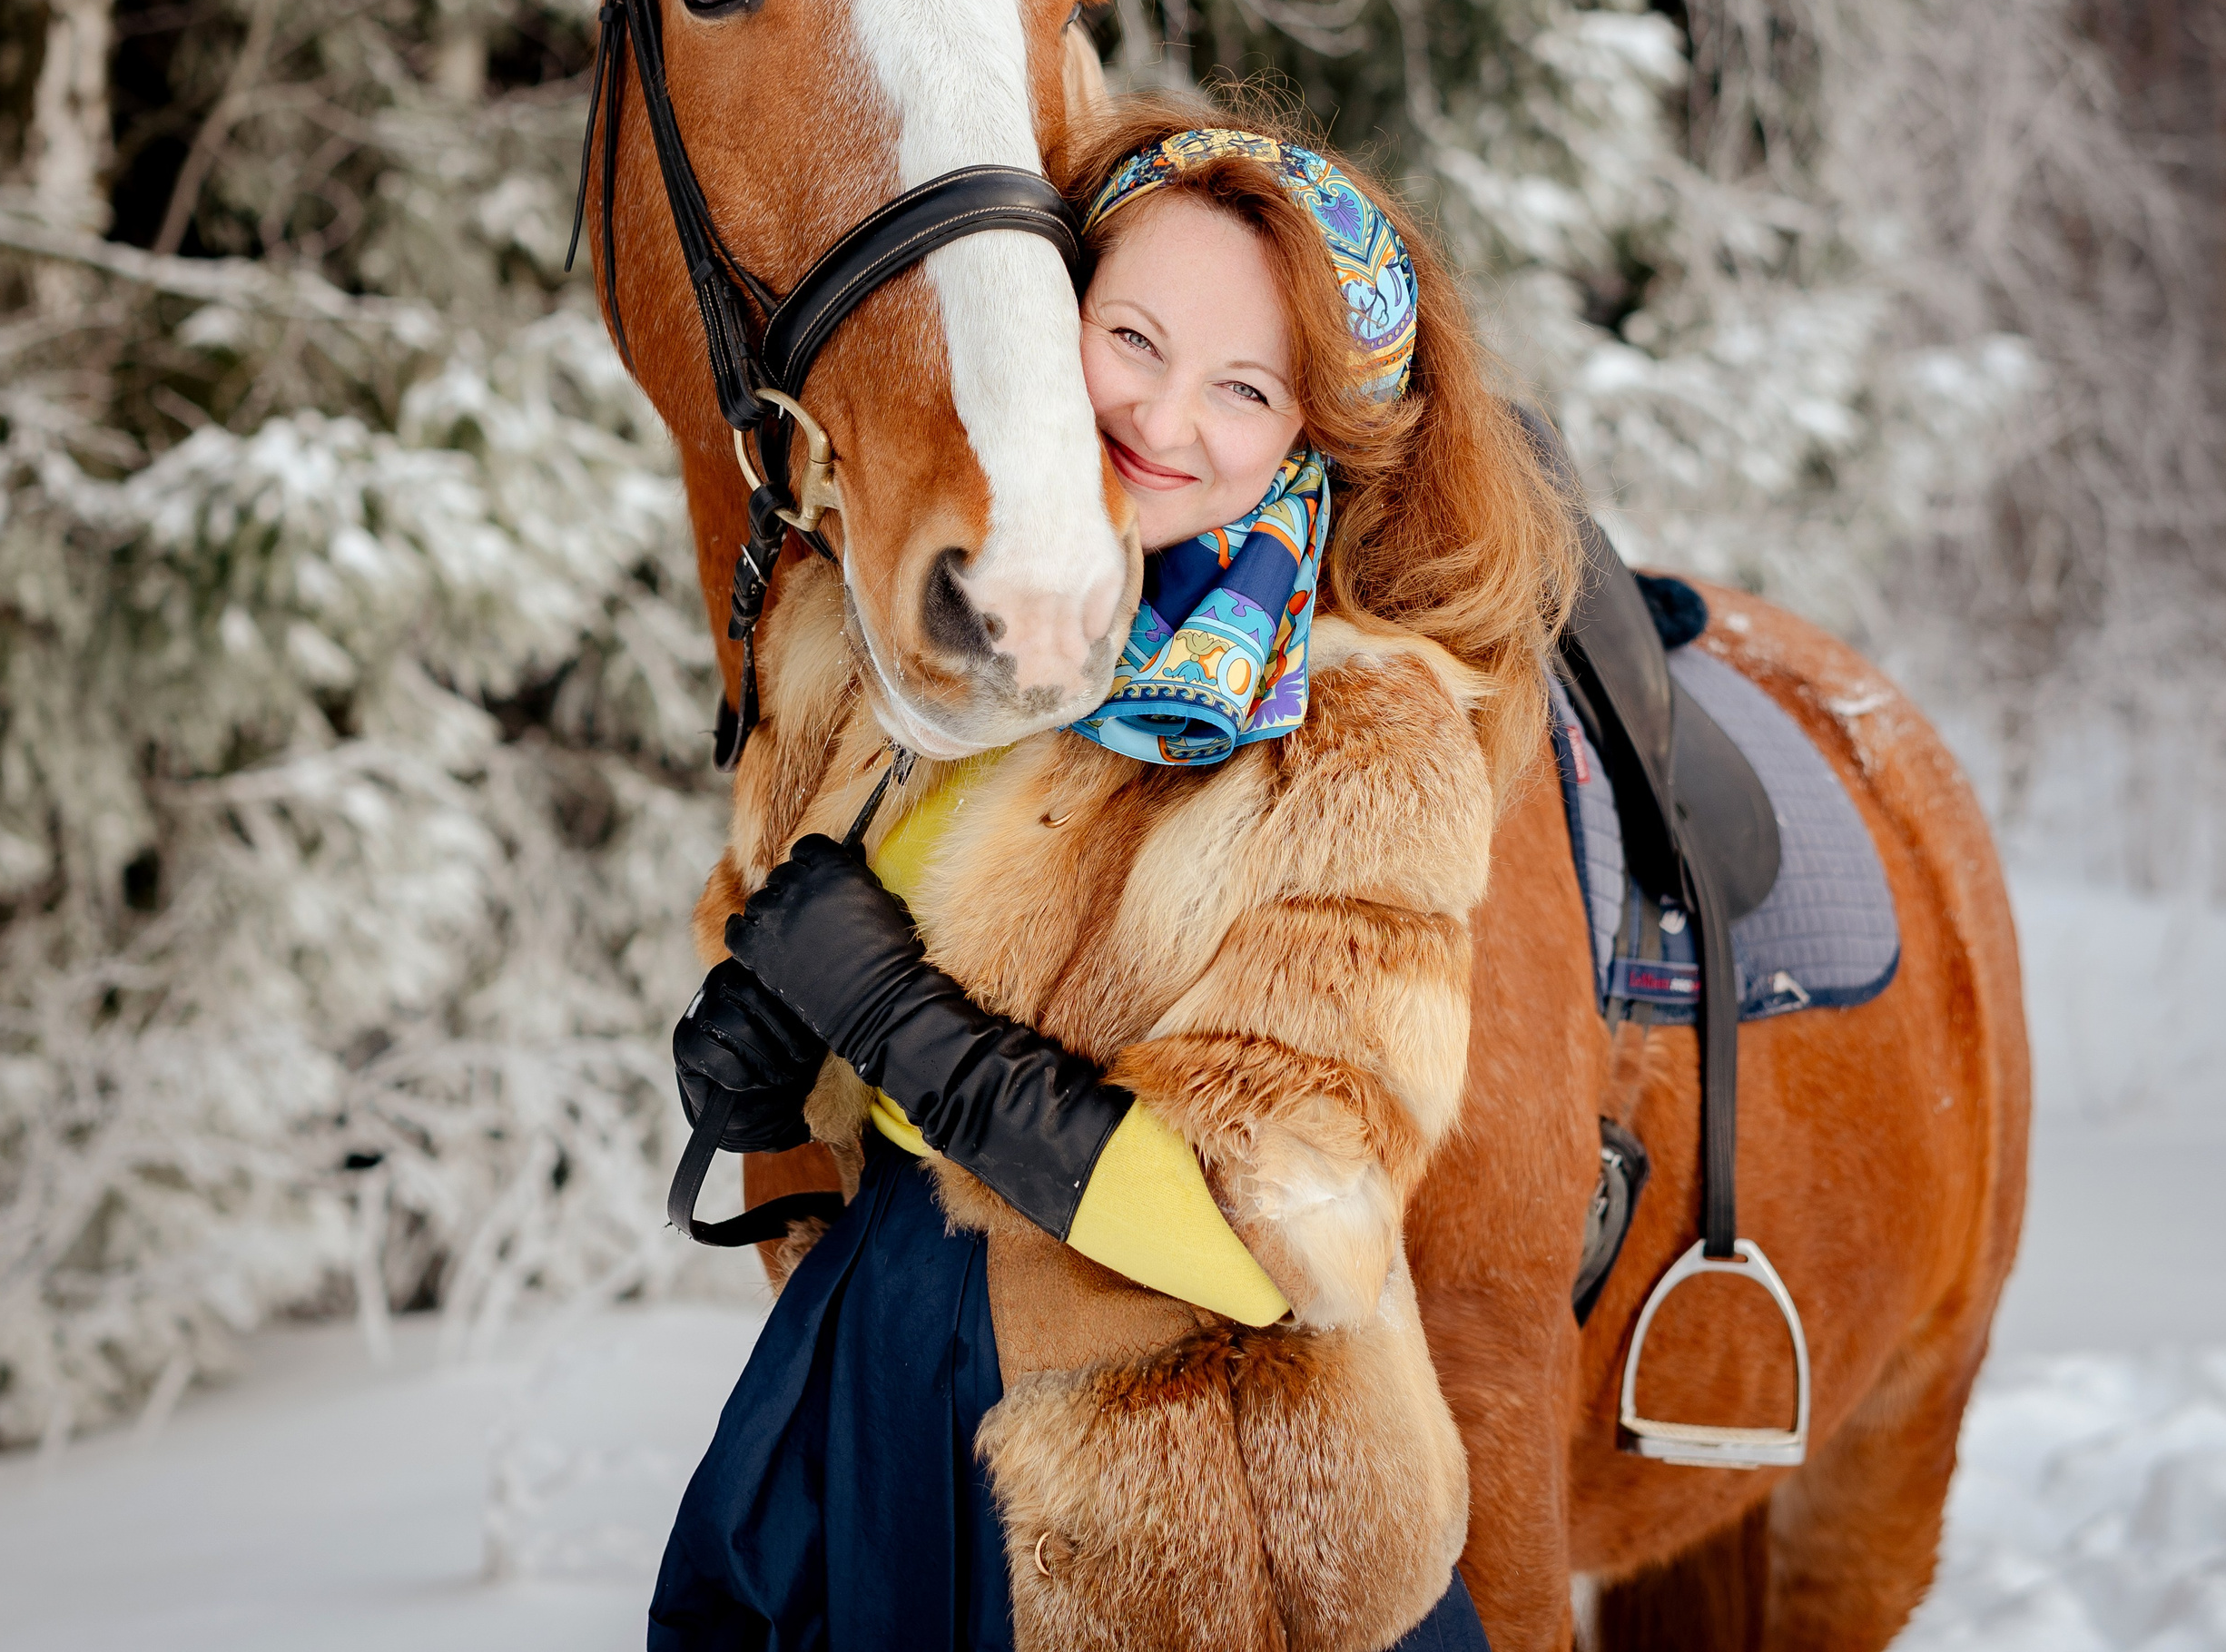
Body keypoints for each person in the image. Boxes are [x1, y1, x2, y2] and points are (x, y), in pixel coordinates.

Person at [650, 103, 1576, 1652]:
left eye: (1246, 388)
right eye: (1129, 336)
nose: (1163, 416)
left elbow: (1278, 1235)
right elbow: (826, 968)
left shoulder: (1354, 743)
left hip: (1183, 1497)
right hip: (876, 1401)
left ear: (1313, 432)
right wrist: (776, 1066)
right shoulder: (945, 628)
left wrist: (895, 1020)